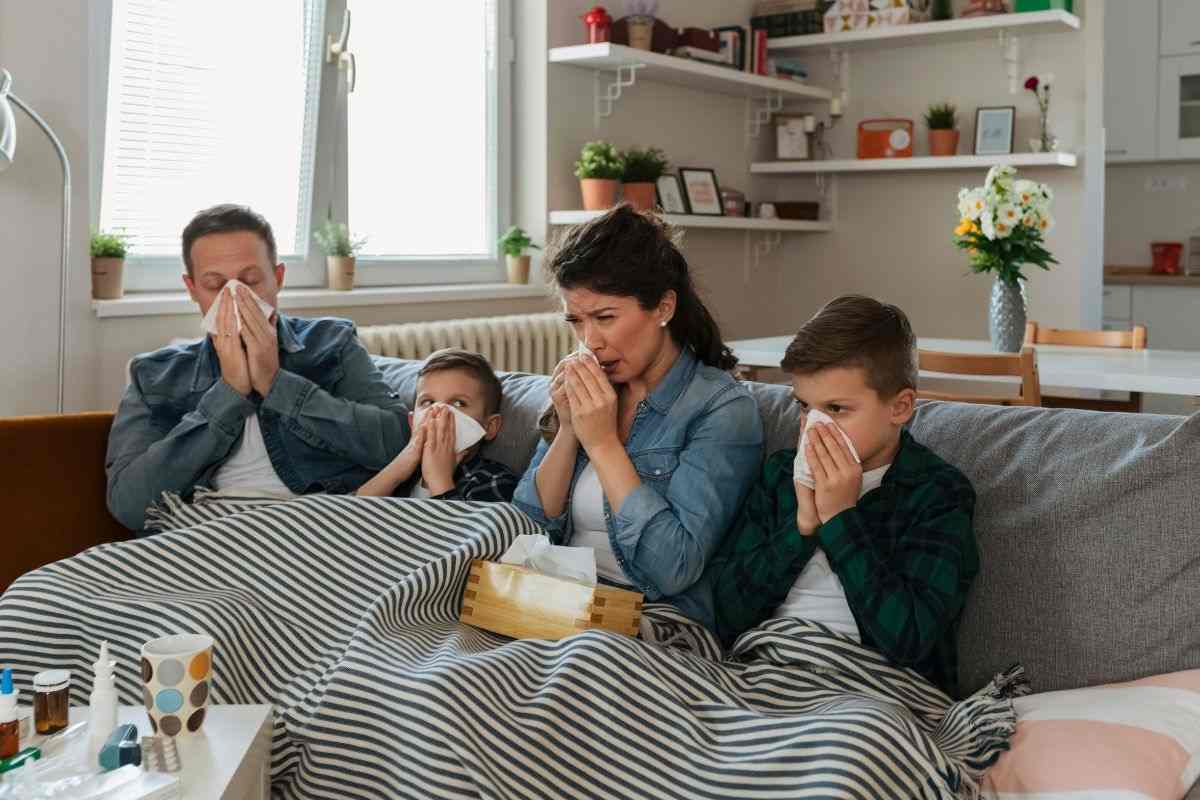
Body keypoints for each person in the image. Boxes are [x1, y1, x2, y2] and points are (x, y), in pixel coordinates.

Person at [685, 295, 978, 694]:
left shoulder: (936, 493)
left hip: (869, 688)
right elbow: (726, 613)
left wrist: (841, 519)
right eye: (805, 407)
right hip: (764, 671)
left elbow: (908, 639)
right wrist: (801, 527)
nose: (814, 428)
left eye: (837, 409)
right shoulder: (779, 476)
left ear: (901, 406)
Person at [512, 205, 763, 602]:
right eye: (575, 321)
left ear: (664, 307)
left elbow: (674, 569)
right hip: (554, 599)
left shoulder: (722, 409)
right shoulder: (592, 389)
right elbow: (524, 532)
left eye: (605, 317)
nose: (589, 341)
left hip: (651, 618)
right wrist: (568, 430)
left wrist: (603, 444)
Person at [106, 204, 410, 532]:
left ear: (278, 278)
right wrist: (228, 393)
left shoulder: (332, 342)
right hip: (208, 538)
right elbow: (130, 505)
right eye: (214, 285)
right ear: (192, 289)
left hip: (323, 527)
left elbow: (397, 444)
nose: (236, 297)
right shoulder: (154, 376)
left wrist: (277, 384)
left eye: (251, 280)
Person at [356, 348, 517, 502]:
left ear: (489, 427)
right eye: (428, 402)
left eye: (458, 403)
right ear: (413, 423)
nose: (438, 412)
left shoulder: (494, 479)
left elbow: (467, 530)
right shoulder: (400, 471)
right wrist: (397, 469)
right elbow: (350, 514)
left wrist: (439, 480)